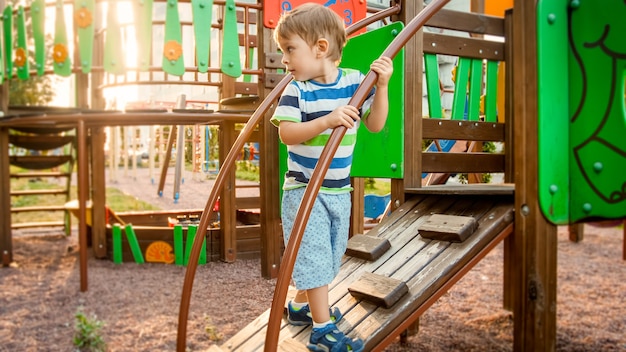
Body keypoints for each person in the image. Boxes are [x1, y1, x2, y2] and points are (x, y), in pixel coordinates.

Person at [270, 3, 393, 352]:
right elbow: (288, 134)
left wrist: (381, 87)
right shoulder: (297, 90)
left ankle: (298, 307)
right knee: (315, 256)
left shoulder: (356, 82)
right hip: (303, 189)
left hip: (338, 191)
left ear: (320, 48)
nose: (284, 60)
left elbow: (375, 124)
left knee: (327, 255)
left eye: (290, 49)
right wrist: (326, 121)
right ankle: (322, 330)